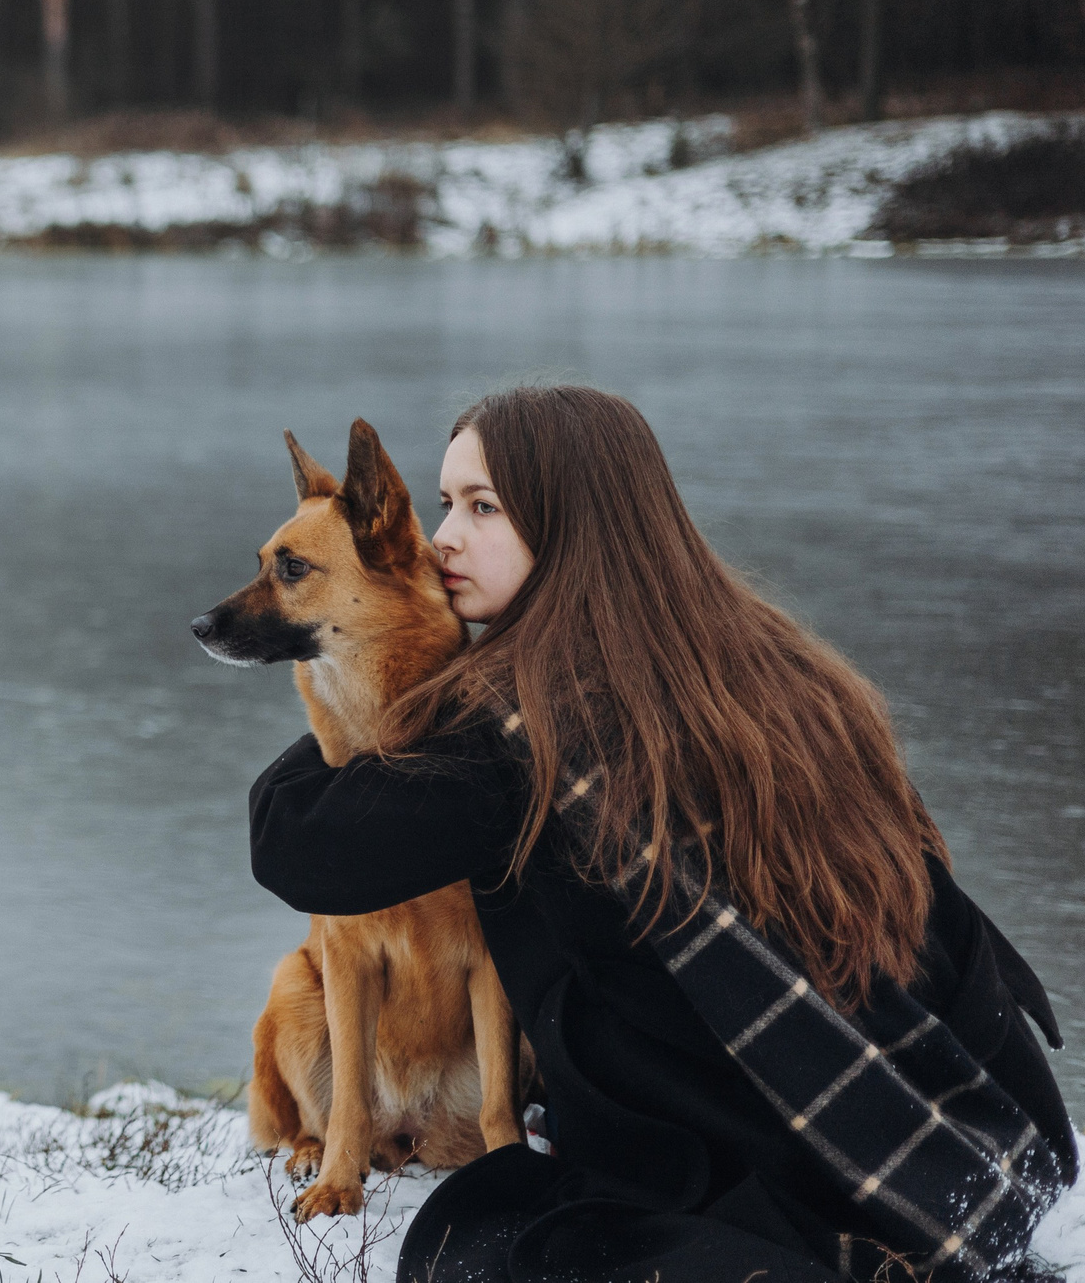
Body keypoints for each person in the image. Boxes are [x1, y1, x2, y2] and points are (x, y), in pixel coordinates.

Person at [247, 385, 1075, 1283]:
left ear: (575, 523)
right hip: (955, 1134)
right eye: (447, 504)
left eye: (481, 507)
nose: (442, 537)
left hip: (741, 1170)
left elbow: (298, 844)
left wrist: (387, 657)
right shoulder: (772, 666)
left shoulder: (520, 735)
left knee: (502, 1246)